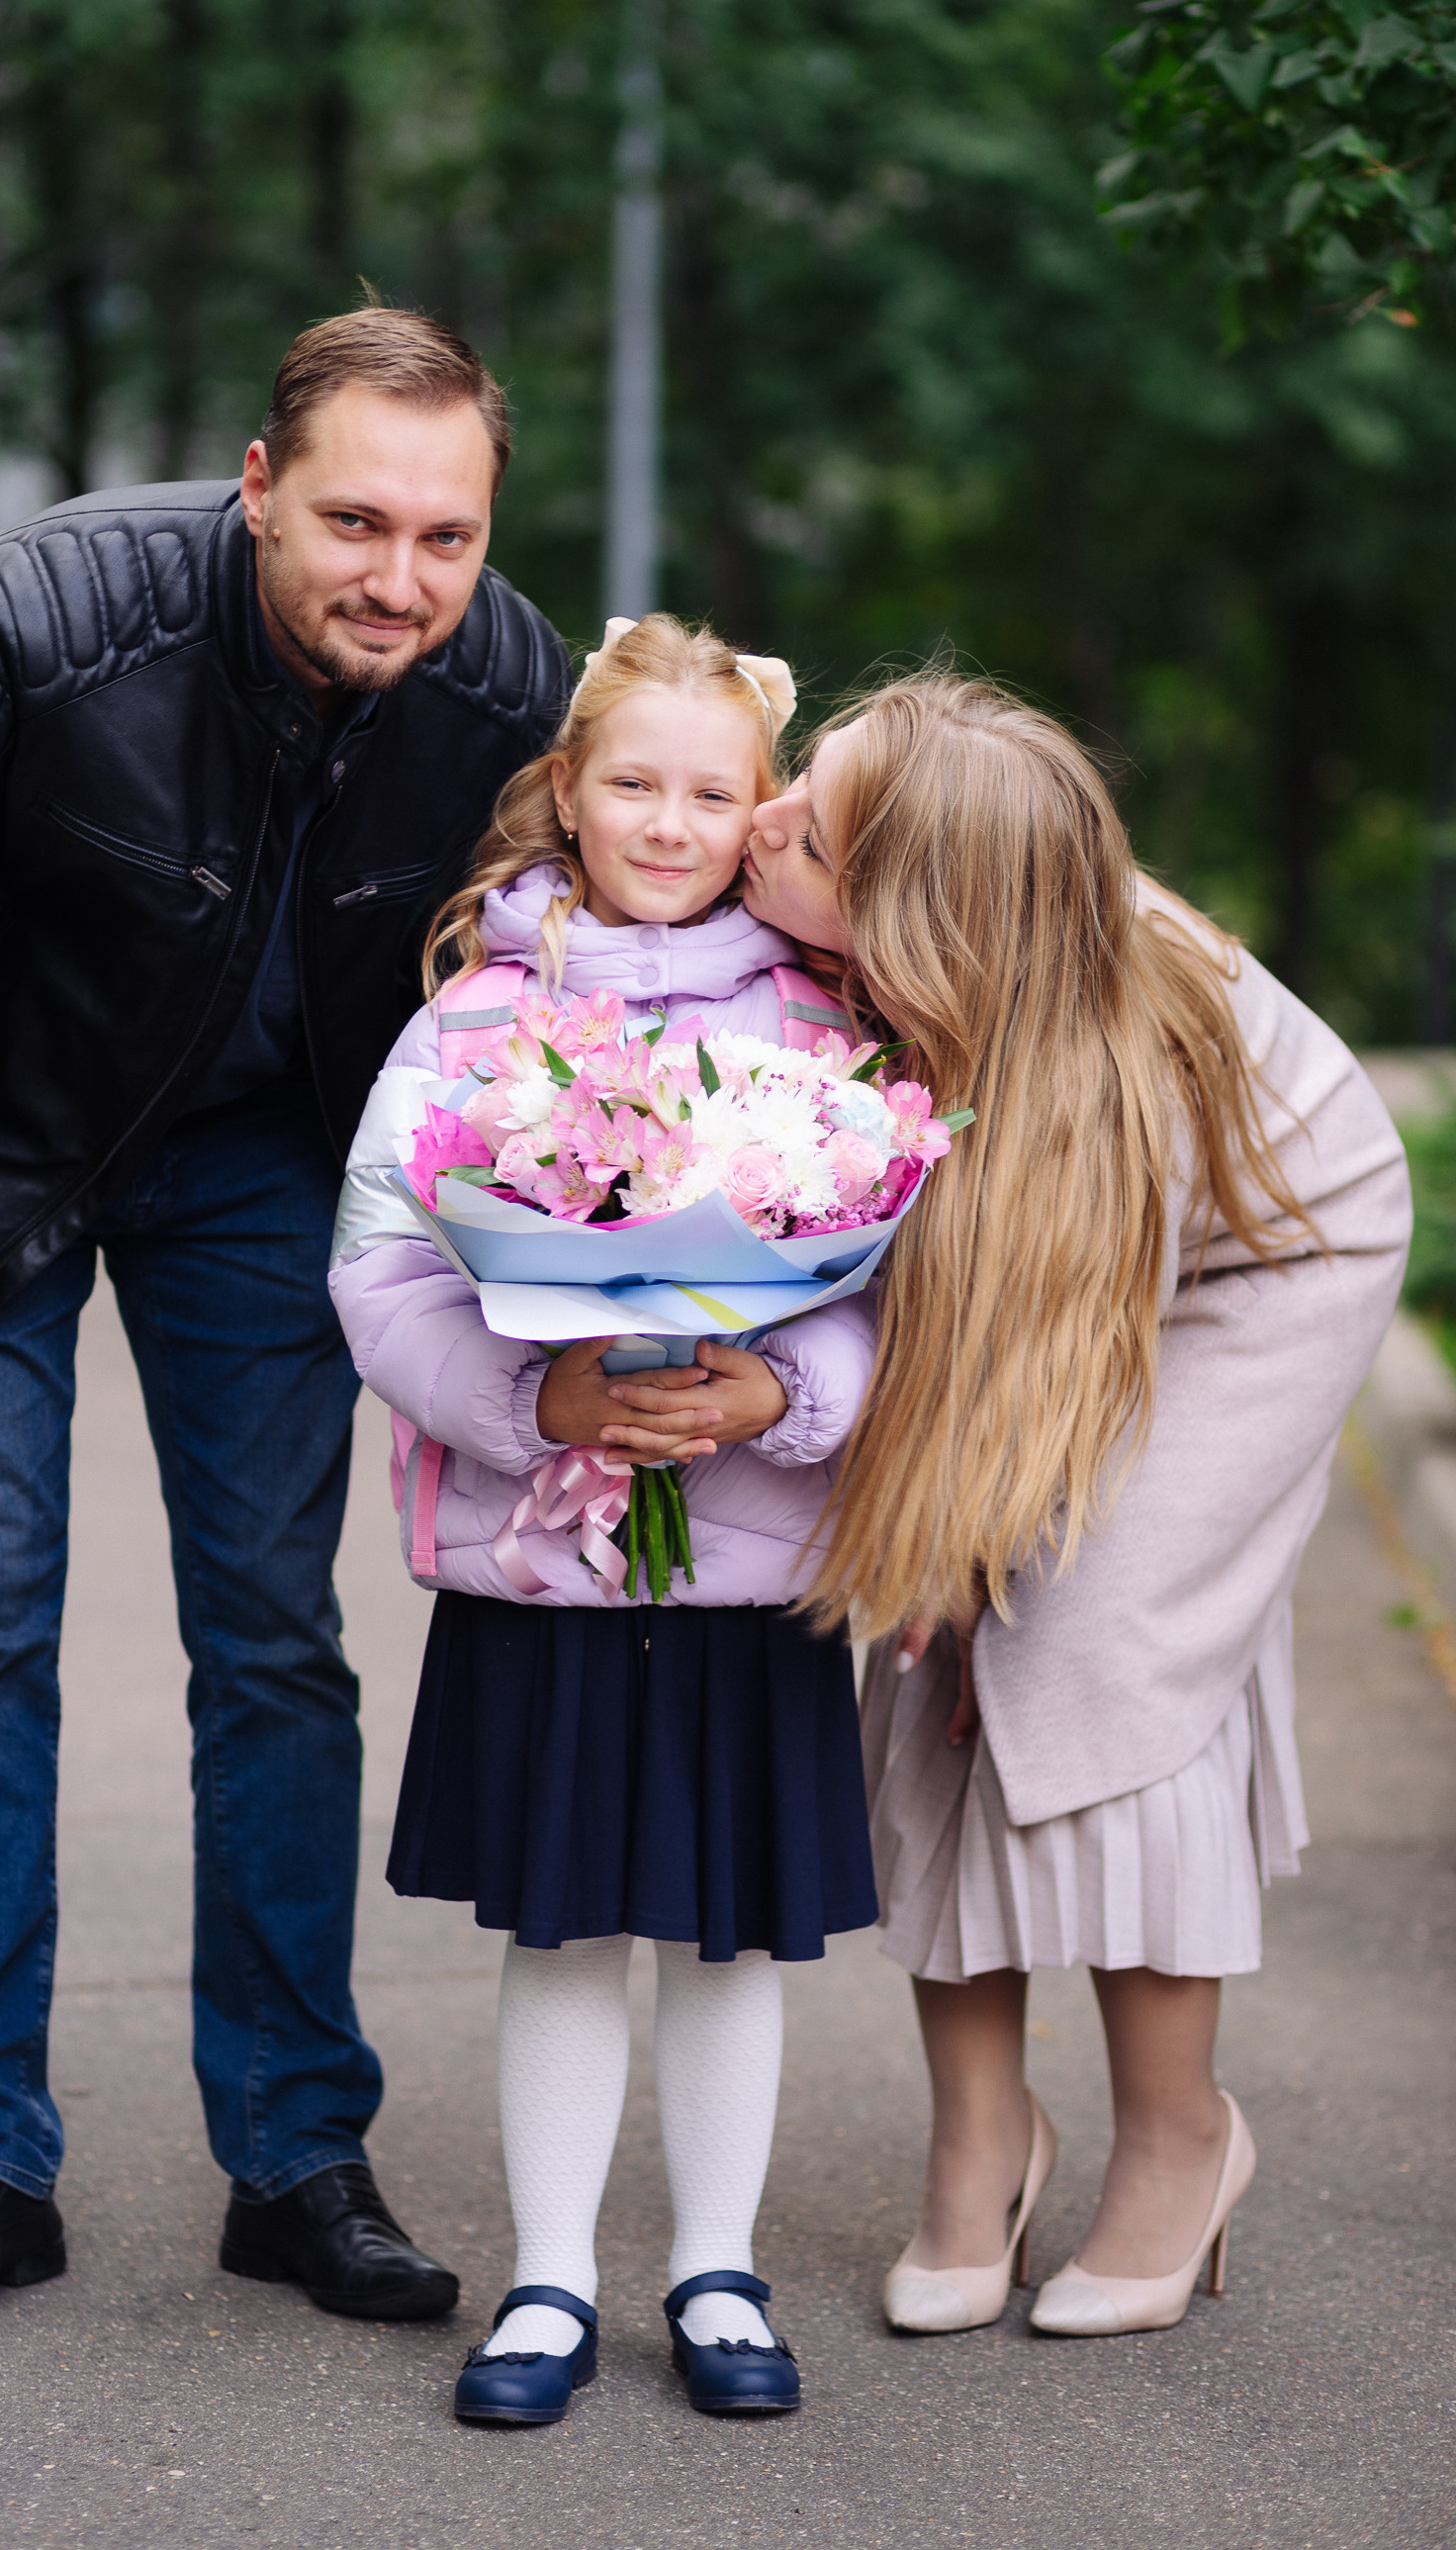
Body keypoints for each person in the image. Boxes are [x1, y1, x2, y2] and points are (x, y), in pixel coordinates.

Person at [0, 307, 570, 2326]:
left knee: (275, 1643)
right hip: (2, 1165)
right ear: (254, 484)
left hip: (266, 1173)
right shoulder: (29, 622)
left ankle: (299, 2148)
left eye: (446, 533)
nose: (399, 577)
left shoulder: (506, 682)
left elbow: (597, 969)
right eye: (352, 520)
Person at [739, 668, 1409, 2338]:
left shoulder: (1122, 1061)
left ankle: (1185, 2141)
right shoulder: (935, 952)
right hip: (1030, 1276)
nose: (761, 825)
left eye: (805, 836)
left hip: (1249, 1267)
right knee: (928, 1640)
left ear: (914, 925)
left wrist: (972, 1544)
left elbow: (1038, 1352)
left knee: (1097, 1635)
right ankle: (983, 2138)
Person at [326, 614, 881, 2424]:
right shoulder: (474, 1020)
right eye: (630, 781)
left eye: (710, 793)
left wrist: (784, 1394)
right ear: (565, 790)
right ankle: (549, 2281)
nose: (667, 820)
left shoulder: (826, 1022)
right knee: (560, 1925)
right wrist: (537, 1400)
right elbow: (383, 1264)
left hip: (741, 1556)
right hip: (548, 1552)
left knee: (726, 1930)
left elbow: (880, 1283)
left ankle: (715, 2267)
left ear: (761, 813)